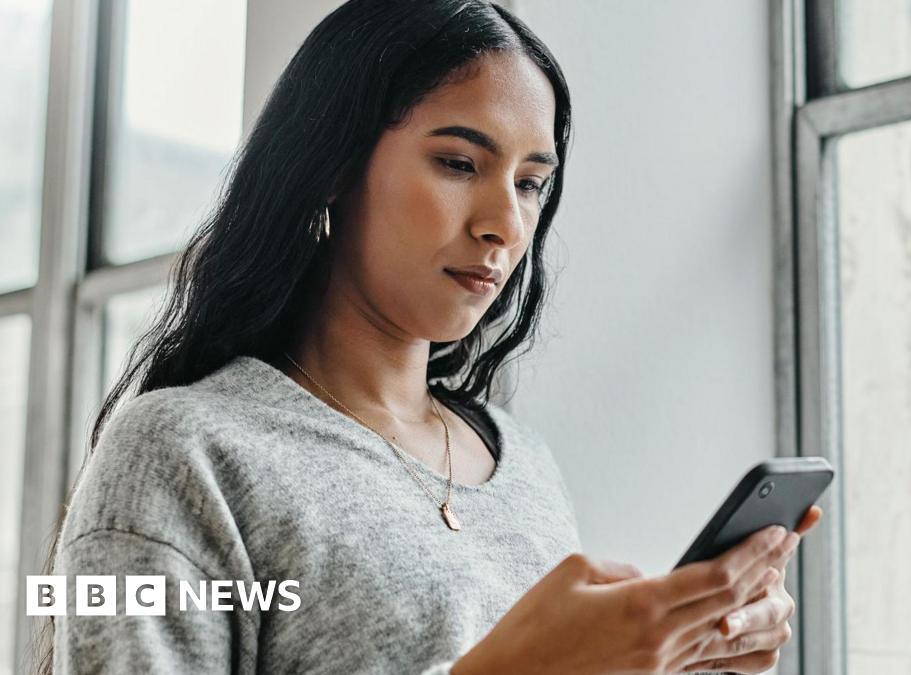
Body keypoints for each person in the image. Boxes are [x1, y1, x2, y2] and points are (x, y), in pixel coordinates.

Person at [33, 1, 823, 673]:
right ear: (332, 166)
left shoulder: (523, 465)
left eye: (530, 183)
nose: (505, 225)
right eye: (457, 162)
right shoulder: (183, 451)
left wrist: (687, 652)